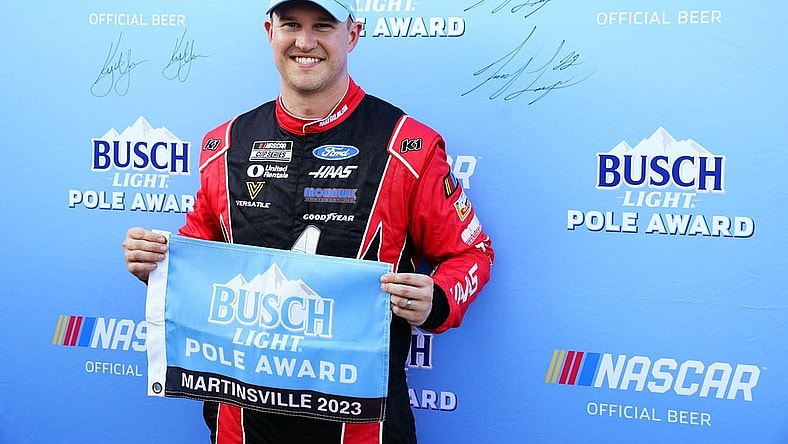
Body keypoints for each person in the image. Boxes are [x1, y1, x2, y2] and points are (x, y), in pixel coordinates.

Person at [121, 0, 494, 442]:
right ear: (269, 32)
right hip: (241, 425)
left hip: (362, 425)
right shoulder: (224, 145)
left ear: (352, 34)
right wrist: (155, 263)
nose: (305, 41)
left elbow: (472, 253)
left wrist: (440, 298)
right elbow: (196, 255)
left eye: (323, 25)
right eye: (291, 24)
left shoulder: (407, 146)